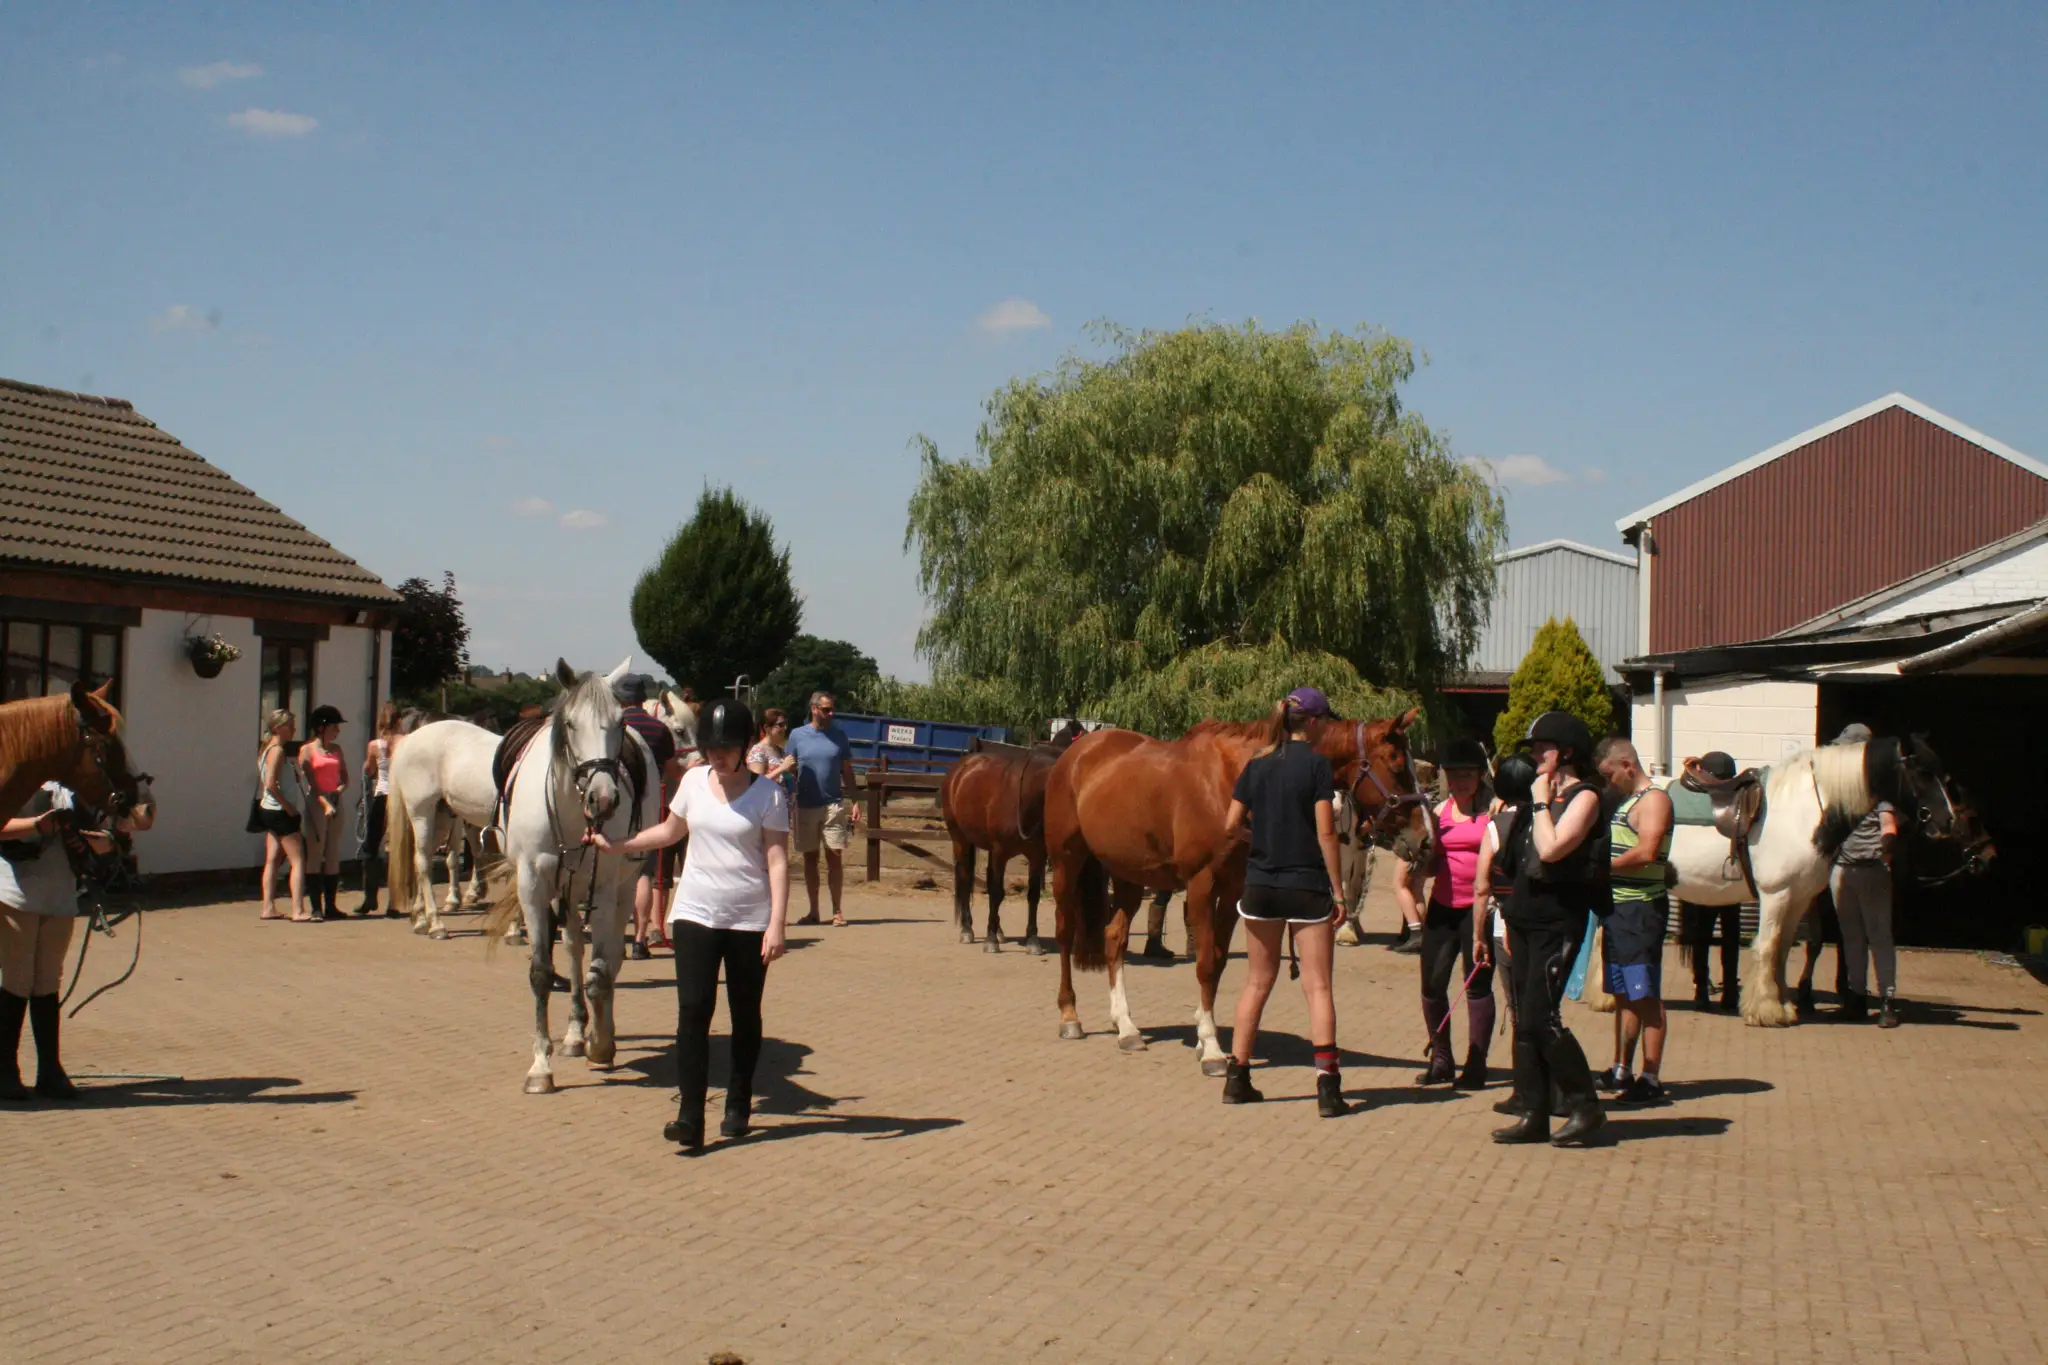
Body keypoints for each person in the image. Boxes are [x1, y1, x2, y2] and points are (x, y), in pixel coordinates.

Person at [588, 698, 790, 1151]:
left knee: (744, 1014)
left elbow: (777, 862)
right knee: (693, 1013)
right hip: (695, 914)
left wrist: (776, 924)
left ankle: (738, 1104)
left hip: (748, 920)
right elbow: (669, 832)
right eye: (710, 748)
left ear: (744, 747)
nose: (716, 757)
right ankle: (690, 1116)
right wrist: (617, 845)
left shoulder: (769, 796)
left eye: (726, 748)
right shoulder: (695, 782)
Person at [1218, 687, 1350, 1119]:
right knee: (1319, 986)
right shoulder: (1316, 766)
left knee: (1257, 981)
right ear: (1311, 723)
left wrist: (1260, 842)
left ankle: (1237, 1079)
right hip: (1306, 885)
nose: (1327, 727)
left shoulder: (1255, 765)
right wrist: (1340, 891)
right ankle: (1328, 1088)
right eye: (1325, 720)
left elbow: (1230, 824)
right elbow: (1326, 834)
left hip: (1260, 885)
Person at [1492, 710, 1607, 1147]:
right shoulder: (1536, 797)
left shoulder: (1585, 797)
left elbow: (1554, 848)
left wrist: (1540, 803)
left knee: (1543, 1018)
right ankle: (1533, 1112)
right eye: (1534, 749)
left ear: (1568, 752)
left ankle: (1585, 1105)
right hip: (1523, 918)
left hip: (1558, 922)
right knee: (1525, 1020)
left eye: (1544, 748)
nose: (1536, 755)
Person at [1, 779, 156, 1100]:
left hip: (60, 896)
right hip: (14, 892)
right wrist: (40, 825)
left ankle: (49, 1071)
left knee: (47, 980)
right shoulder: (21, 773)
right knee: (16, 978)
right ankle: (5, 1070)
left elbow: (136, 822)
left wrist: (112, 835)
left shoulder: (78, 787)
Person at [1595, 736, 1675, 1104]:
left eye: (1610, 774)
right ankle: (1621, 1070)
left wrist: (1600, 869)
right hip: (1619, 909)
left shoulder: (1654, 800)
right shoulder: (1627, 801)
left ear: (1627, 764)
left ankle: (1651, 1077)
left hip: (1640, 909)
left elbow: (1647, 851)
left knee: (1645, 995)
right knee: (1624, 995)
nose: (1608, 783)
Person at [1415, 738, 1496, 1090]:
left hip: (1479, 911)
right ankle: (1441, 1060)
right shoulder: (1438, 813)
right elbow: (1431, 868)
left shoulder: (1494, 810)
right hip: (1443, 907)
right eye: (1453, 775)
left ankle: (1476, 1063)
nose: (1460, 781)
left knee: (1477, 986)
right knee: (1432, 985)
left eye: (1467, 774)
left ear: (1480, 775)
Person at [1476, 751, 1537, 1116]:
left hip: (1507, 926)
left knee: (1518, 1009)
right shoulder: (1554, 821)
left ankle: (1525, 1086)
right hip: (1549, 926)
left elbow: (1482, 886)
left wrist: (1476, 935)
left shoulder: (1496, 827)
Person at [1829, 723, 1900, 1027]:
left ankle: (1887, 1001)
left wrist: (1885, 849)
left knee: (1878, 936)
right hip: (1841, 869)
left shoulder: (1877, 789)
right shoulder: (1840, 789)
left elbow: (1889, 826)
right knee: (1852, 937)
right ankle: (1856, 999)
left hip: (1870, 870)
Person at [615, 674, 683, 961]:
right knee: (643, 873)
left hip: (614, 808)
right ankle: (641, 940)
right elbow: (672, 770)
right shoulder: (658, 729)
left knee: (611, 875)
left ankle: (616, 938)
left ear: (618, 699)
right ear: (644, 698)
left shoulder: (613, 728)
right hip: (647, 808)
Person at [786, 691, 860, 927]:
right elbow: (788, 768)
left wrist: (856, 800)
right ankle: (814, 910)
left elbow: (847, 770)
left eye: (832, 709)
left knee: (835, 856)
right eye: (826, 709)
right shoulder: (797, 736)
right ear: (814, 709)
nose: (831, 713)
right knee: (810, 858)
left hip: (833, 804)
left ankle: (837, 911)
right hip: (806, 805)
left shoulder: (840, 736)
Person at [1679, 750, 1742, 1012]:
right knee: (1729, 935)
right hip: (1729, 875)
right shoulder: (1737, 798)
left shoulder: (1694, 795)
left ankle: (1703, 988)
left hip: (1705, 874)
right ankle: (1725, 989)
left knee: (1702, 935)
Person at [253, 710, 312, 922]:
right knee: (298, 860)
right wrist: (289, 808)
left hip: (267, 811)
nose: (295, 730)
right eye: (291, 726)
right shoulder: (277, 751)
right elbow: (270, 784)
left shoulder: (267, 749)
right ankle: (298, 910)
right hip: (280, 812)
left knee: (273, 859)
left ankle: (268, 907)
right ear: (278, 728)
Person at [297, 705, 350, 921]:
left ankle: (331, 906)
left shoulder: (337, 749)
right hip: (317, 804)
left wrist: (338, 791)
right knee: (315, 853)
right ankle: (315, 907)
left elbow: (345, 777)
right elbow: (310, 783)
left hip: (335, 800)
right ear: (321, 728)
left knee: (333, 853)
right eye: (334, 726)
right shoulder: (307, 750)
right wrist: (325, 804)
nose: (337, 730)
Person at [358, 702, 405, 917]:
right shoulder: (405, 743)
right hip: (400, 798)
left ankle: (369, 897)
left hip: (381, 795)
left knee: (371, 846)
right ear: (398, 721)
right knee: (397, 848)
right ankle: (395, 901)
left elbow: (369, 769)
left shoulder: (374, 745)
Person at [748, 708, 798, 801]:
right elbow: (755, 784)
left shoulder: (780, 750)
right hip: (770, 807)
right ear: (767, 728)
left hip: (787, 807)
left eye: (785, 724)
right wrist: (782, 768)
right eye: (780, 725)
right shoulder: (758, 751)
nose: (785, 728)